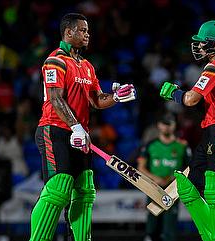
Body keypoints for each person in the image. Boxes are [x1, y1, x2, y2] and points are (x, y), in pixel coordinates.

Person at [29, 13, 136, 241]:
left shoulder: (87, 66)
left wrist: (116, 97)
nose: (88, 34)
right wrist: (76, 126)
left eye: (87, 30)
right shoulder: (55, 60)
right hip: (54, 130)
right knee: (59, 189)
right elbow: (56, 99)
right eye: (82, 30)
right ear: (69, 32)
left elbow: (96, 100)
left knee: (85, 193)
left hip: (79, 135)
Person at [160, 20, 215, 241]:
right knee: (193, 183)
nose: (199, 47)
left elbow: (190, 99)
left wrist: (173, 92)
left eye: (203, 43)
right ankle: (212, 234)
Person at [137, 112, 191, 241]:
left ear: (174, 126)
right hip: (153, 188)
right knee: (152, 226)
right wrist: (156, 179)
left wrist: (175, 178)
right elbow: (141, 167)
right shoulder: (150, 145)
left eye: (169, 124)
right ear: (158, 125)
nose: (166, 127)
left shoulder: (182, 146)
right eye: (164, 124)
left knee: (169, 228)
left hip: (173, 190)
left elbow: (189, 168)